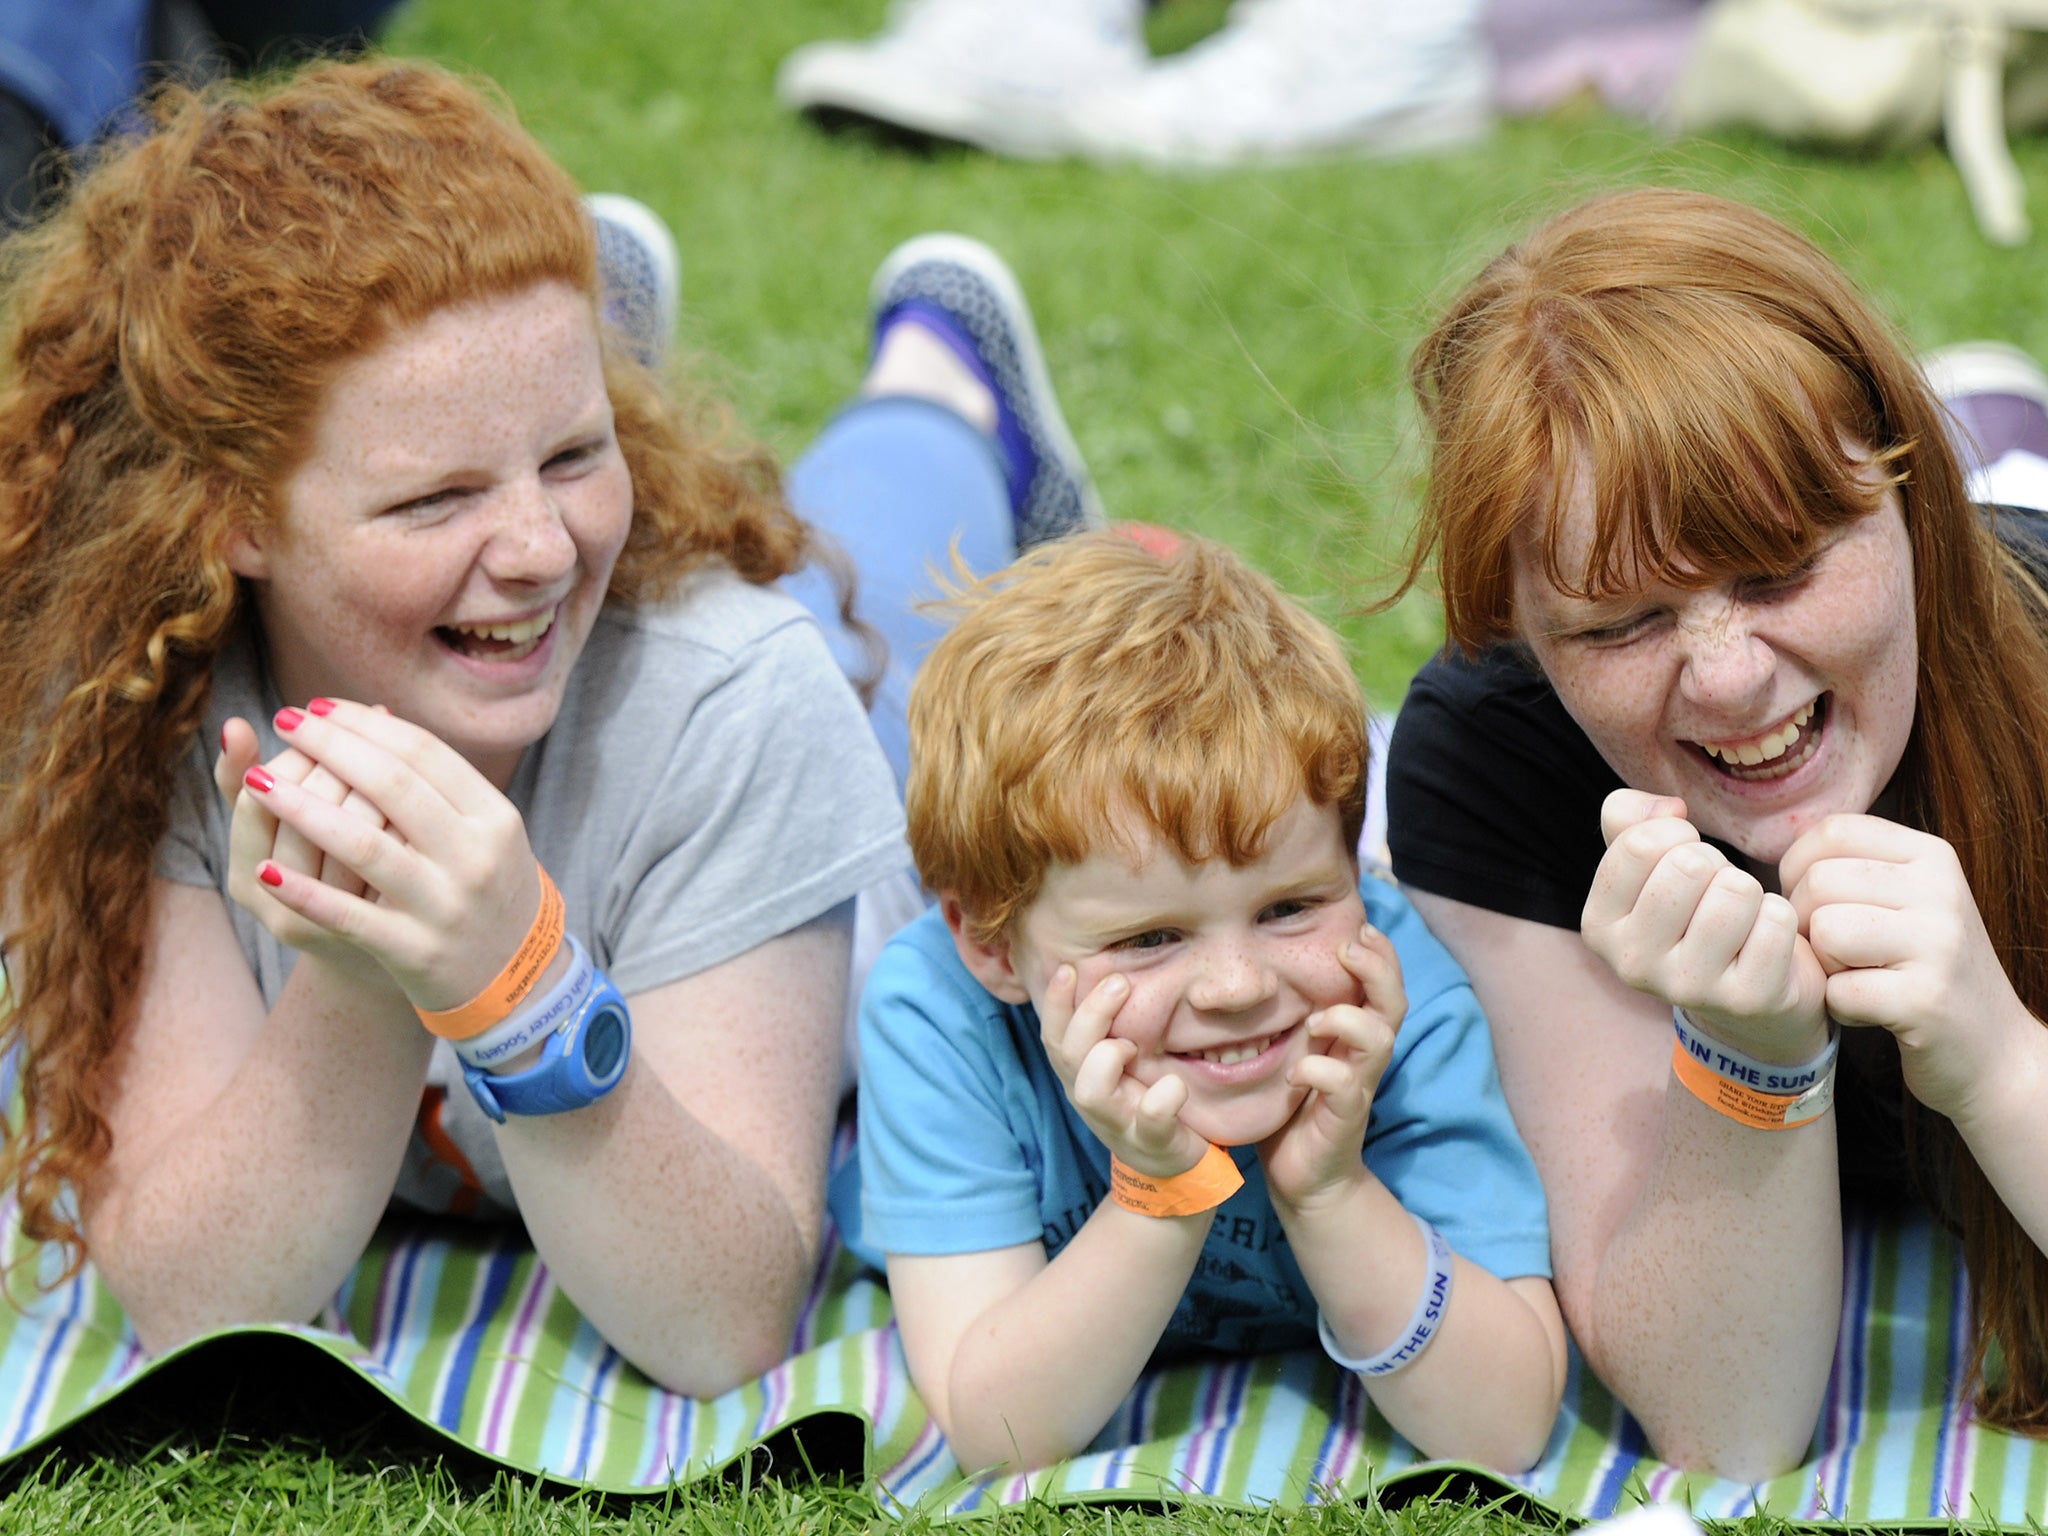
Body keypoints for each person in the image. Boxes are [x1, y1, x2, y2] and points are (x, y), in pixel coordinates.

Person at [0, 56, 1099, 1397]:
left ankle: (947, 376)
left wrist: (517, 987)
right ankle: (567, 356)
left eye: (578, 452)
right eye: (434, 497)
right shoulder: (141, 707)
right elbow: (198, 1297)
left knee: (880, 598)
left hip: (808, 738)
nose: (531, 543)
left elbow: (723, 1325)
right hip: (611, 635)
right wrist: (363, 965)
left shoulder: (735, 700)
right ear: (231, 520)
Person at [1384, 185, 2048, 1480]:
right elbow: (1730, 1425)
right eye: (1622, 625)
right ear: (1529, 638)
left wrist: (1998, 1058)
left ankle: (1994, 425)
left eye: (1780, 567)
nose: (1730, 679)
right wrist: (1752, 1058)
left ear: (1902, 504)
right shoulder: (1495, 755)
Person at [833, 530, 1566, 1474]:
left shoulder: (1395, 1004)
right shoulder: (937, 1011)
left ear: (1357, 869)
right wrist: (1160, 1193)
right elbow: (999, 1432)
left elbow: (1505, 1427)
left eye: (1290, 907)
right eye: (1149, 939)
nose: (1240, 988)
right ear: (992, 946)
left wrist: (1331, 1187)